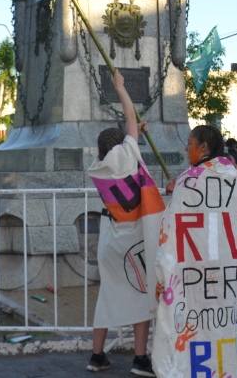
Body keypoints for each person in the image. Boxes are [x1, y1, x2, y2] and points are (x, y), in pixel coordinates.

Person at [153, 124, 237, 377]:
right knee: (226, 324)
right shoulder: (235, 180)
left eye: (190, 143)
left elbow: (171, 232)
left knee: (202, 325)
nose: (186, 148)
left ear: (203, 147)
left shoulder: (190, 181)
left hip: (198, 276)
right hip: (227, 275)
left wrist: (165, 272)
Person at [86, 71, 163, 376]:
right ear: (123, 144)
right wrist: (120, 87)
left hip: (110, 238)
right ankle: (139, 359)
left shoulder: (99, 167)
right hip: (134, 239)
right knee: (141, 296)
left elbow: (129, 140)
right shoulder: (128, 154)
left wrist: (136, 134)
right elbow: (130, 117)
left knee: (107, 295)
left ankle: (96, 356)